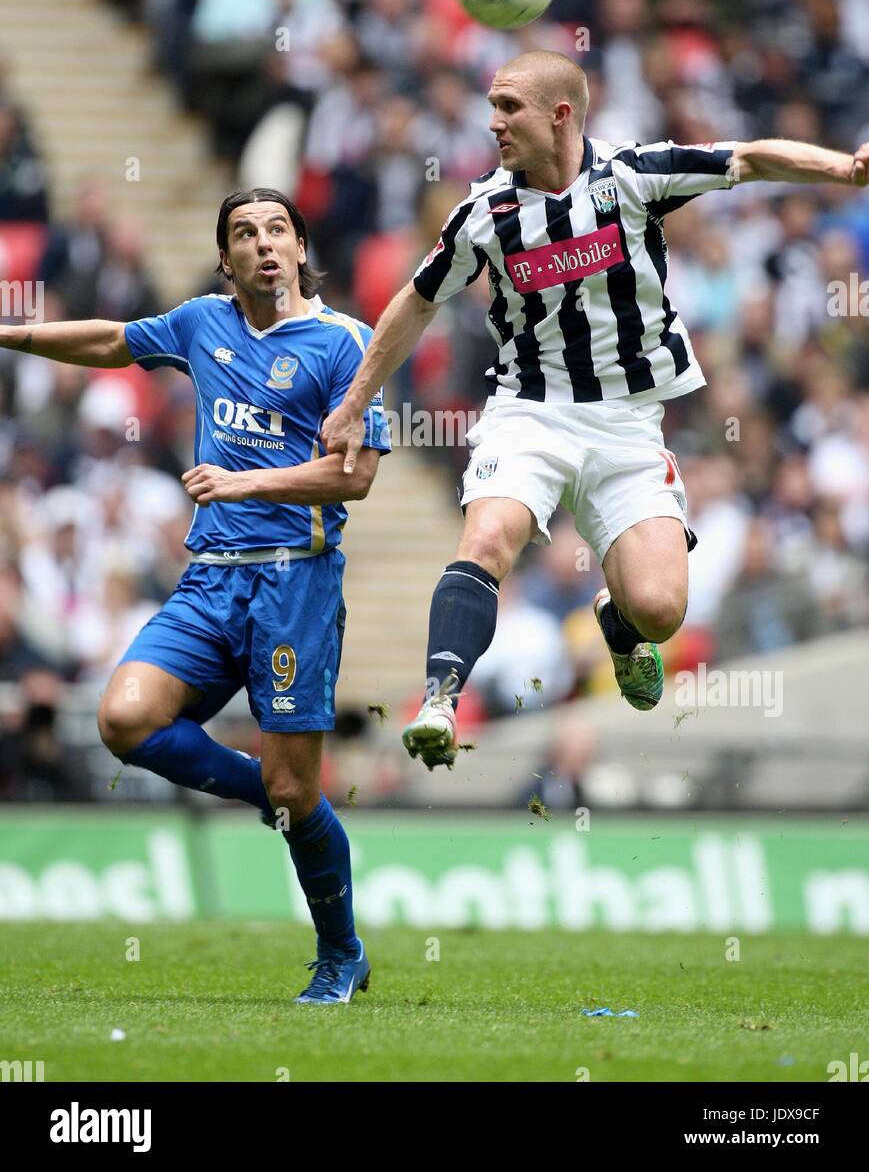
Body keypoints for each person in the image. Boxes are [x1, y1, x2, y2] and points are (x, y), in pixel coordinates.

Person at [322, 49, 869, 770]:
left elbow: (749, 157)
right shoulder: (484, 211)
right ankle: (439, 701)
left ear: (560, 114)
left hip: (627, 421)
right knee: (487, 540)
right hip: (530, 412)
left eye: (508, 107)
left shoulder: (634, 174)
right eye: (490, 105)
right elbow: (417, 301)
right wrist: (355, 400)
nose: (493, 123)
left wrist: (844, 169)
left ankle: (617, 625)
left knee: (660, 610)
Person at [0, 189, 391, 1003]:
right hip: (211, 577)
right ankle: (269, 792)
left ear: (300, 245)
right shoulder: (200, 322)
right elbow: (113, 339)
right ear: (227, 259)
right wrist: (11, 334)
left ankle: (340, 954)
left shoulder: (346, 343)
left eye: (278, 230)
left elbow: (354, 474)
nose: (264, 244)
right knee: (125, 718)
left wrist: (244, 483)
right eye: (245, 234)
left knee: (297, 792)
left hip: (296, 579)